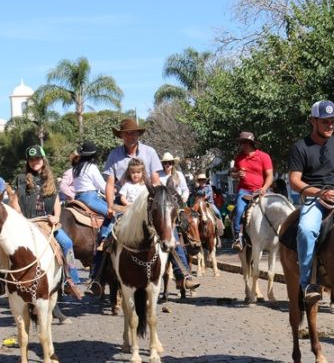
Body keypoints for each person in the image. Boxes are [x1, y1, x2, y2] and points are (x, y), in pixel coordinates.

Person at [88, 118, 199, 295]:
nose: (130, 136)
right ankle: (97, 279)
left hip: (148, 203)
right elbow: (110, 183)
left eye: (133, 133)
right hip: (124, 204)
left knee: (170, 233)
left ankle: (183, 275)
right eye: (126, 133)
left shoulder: (150, 152)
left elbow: (155, 180)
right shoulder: (114, 155)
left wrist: (159, 202)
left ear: (138, 134)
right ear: (121, 136)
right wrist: (109, 206)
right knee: (105, 236)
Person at [288, 100, 334, 304]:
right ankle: (308, 283)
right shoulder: (300, 147)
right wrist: (321, 193)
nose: (330, 125)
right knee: (306, 230)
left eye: (332, 121)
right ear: (313, 121)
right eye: (325, 121)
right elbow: (294, 181)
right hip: (315, 198)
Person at [10, 144, 82, 293]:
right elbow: (15, 201)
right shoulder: (21, 179)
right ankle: (5, 280)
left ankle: (70, 279)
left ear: (43, 160)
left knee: (67, 243)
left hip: (46, 222)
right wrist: (20, 216)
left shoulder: (50, 179)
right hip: (28, 222)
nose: (34, 162)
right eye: (31, 160)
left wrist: (56, 216)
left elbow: (56, 202)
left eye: (37, 158)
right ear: (28, 162)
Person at [230, 132, 273, 252]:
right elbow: (232, 173)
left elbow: (270, 176)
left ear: (250, 143)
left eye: (244, 142)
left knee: (274, 209)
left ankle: (275, 235)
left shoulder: (263, 156)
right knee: (239, 210)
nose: (241, 145)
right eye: (241, 143)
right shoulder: (239, 157)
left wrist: (264, 188)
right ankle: (238, 238)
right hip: (244, 191)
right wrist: (236, 174)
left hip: (261, 190)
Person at [72, 140, 111, 241]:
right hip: (90, 198)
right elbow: (102, 186)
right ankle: (104, 238)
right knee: (114, 213)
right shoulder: (91, 167)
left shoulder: (75, 168)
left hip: (77, 198)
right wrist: (112, 191)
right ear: (94, 155)